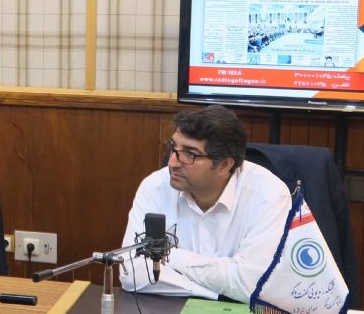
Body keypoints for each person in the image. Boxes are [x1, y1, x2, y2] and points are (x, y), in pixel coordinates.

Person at [120, 105, 290, 303]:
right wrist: (216, 293)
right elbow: (131, 272)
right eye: (173, 147)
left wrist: (169, 256)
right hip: (171, 310)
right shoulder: (156, 186)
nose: (172, 162)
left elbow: (253, 284)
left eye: (190, 154)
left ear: (224, 165)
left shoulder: (268, 195)